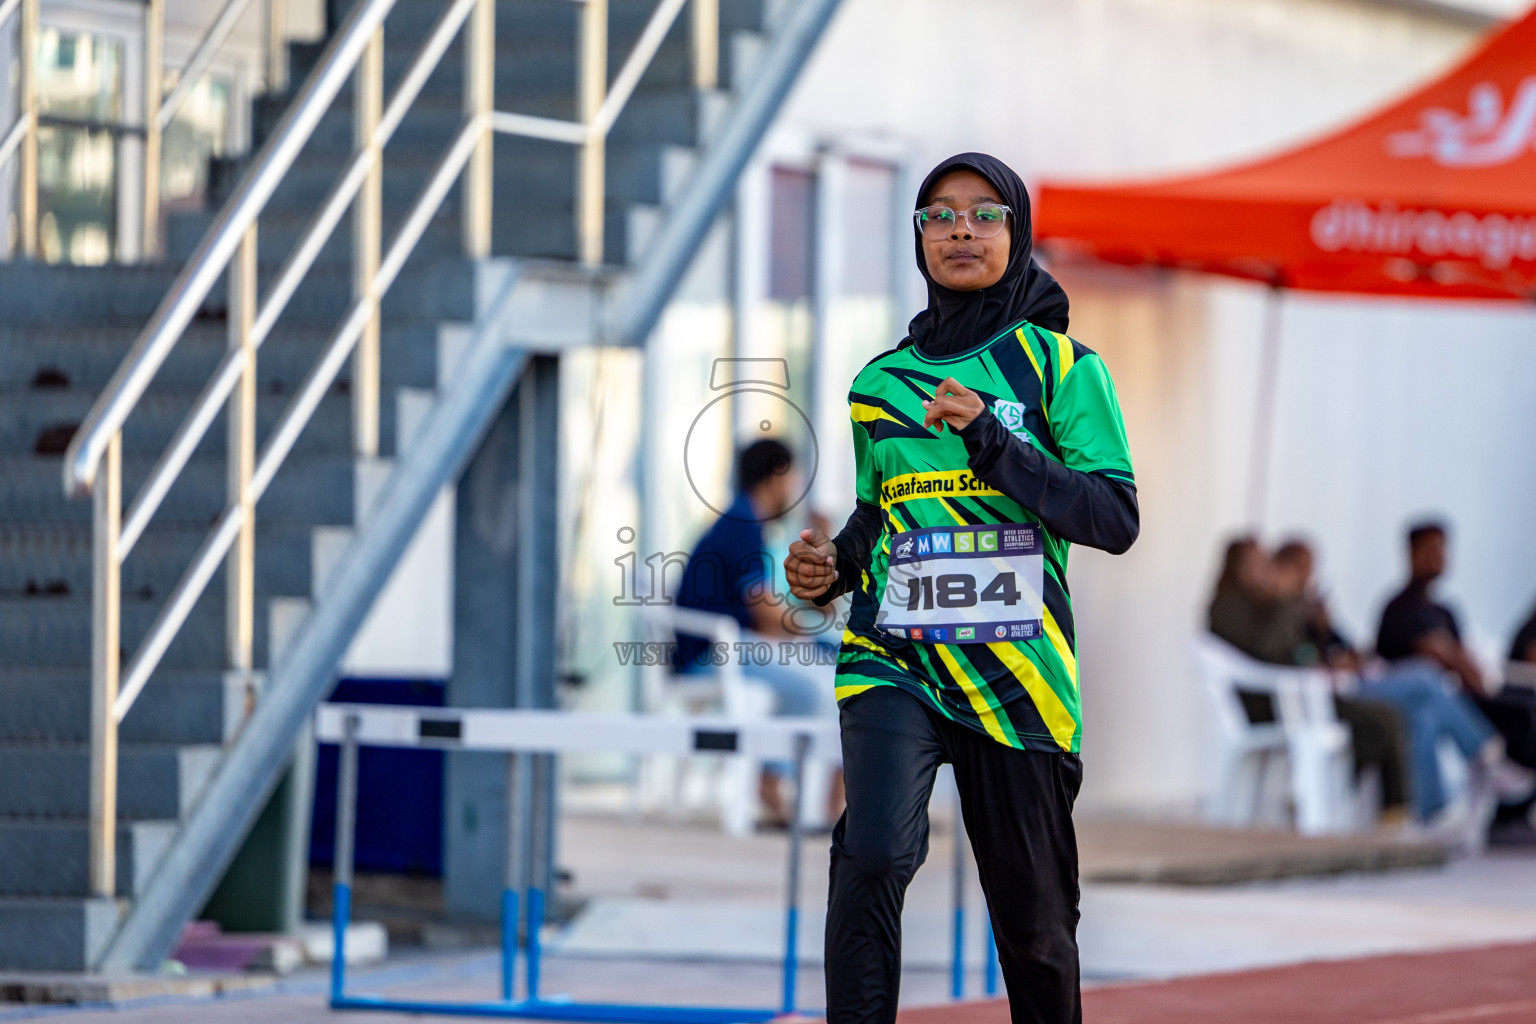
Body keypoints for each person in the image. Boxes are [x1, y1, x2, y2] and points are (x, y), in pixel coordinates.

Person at [783, 152, 1138, 1024]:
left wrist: (995, 441)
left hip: (1017, 672)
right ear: (917, 239)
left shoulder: (1061, 367)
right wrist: (832, 568)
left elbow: (1113, 518)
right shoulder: (879, 382)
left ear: (1016, 233)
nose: (960, 232)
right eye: (937, 216)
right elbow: (883, 513)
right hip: (893, 657)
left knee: (1035, 928)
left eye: (983, 214)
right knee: (869, 857)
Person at [674, 439, 843, 826]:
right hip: (711, 652)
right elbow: (766, 612)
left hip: (736, 646)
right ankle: (772, 780)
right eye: (795, 476)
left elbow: (783, 610)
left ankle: (831, 801)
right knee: (818, 684)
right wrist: (809, 633)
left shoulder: (748, 523)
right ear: (777, 475)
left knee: (838, 666)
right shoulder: (742, 525)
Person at [1205, 538, 1411, 822]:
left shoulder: (1266, 605)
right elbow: (1268, 650)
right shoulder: (1228, 606)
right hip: (1268, 703)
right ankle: (1324, 797)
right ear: (1237, 568)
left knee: (1384, 720)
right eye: (1257, 564)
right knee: (1379, 723)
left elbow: (1301, 651)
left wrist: (1322, 628)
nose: (1266, 572)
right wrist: (1284, 599)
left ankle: (1378, 808)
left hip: (1299, 697)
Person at [1376, 522, 1536, 822]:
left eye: (1443, 549)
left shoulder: (1445, 610)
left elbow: (1460, 657)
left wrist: (1474, 675)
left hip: (1449, 702)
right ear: (1411, 553)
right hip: (1400, 703)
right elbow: (1440, 657)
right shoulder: (1398, 608)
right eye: (1431, 549)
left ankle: (1430, 817)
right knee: (1427, 690)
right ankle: (1487, 757)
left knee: (1429, 718)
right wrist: (1461, 665)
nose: (1439, 557)